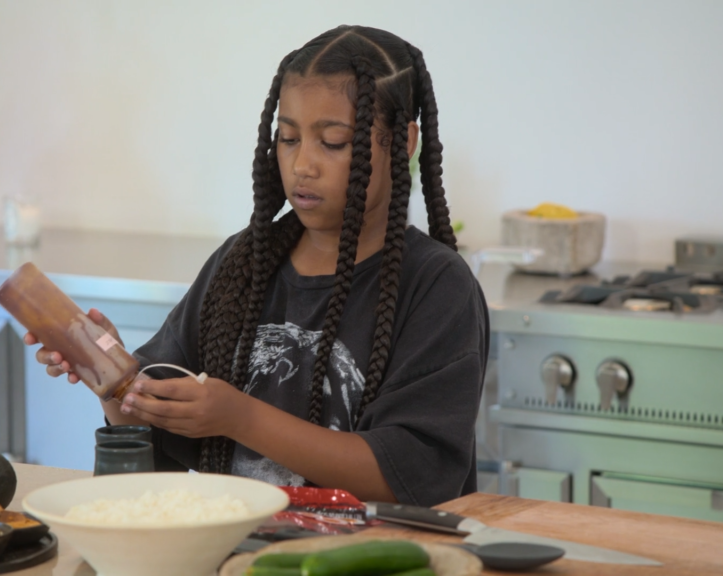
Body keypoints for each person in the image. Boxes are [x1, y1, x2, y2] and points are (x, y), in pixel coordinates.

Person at [25, 25, 489, 507]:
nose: (302, 164)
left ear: (403, 141)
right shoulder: (242, 263)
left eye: (332, 142)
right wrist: (115, 383)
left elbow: (408, 475)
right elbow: (157, 438)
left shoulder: (436, 287)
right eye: (287, 138)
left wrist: (241, 418)